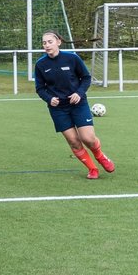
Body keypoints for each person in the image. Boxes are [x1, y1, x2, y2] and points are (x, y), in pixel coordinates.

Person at [35, 30, 115, 179]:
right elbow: (40, 88)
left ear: (58, 42)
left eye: (50, 42)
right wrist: (49, 98)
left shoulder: (72, 58)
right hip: (58, 108)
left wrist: (79, 93)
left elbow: (86, 78)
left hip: (78, 103)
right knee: (73, 141)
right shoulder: (40, 64)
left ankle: (100, 156)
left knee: (88, 138)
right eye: (44, 42)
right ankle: (92, 169)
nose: (46, 45)